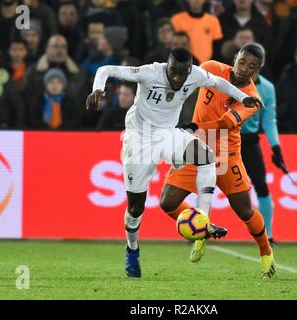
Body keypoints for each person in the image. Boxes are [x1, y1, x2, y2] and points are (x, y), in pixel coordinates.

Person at [86, 47, 264, 278]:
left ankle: (203, 220)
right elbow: (106, 69)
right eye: (174, 72)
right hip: (140, 140)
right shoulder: (150, 72)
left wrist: (243, 97)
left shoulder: (196, 74)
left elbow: (220, 84)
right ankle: (132, 249)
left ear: (189, 70)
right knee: (135, 207)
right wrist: (97, 89)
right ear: (167, 67)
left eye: (183, 73)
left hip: (168, 134)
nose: (178, 78)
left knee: (207, 156)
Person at [160, 44, 275, 279]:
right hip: (196, 149)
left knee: (244, 210)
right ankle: (203, 228)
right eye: (242, 62)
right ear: (235, 58)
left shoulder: (252, 99)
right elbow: (183, 84)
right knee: (167, 202)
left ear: (259, 69)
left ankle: (266, 252)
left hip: (225, 154)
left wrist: (193, 127)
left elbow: (224, 124)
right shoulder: (211, 68)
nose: (244, 69)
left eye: (252, 66)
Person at [240, 68, 284, 245]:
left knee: (262, 187)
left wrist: (276, 147)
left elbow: (269, 119)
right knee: (208, 183)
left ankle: (268, 235)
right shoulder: (226, 81)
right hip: (224, 139)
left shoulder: (267, 88)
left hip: (250, 142)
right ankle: (201, 232)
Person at [171, 0, 223, 64]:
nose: (196, 1)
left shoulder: (213, 21)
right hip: (183, 63)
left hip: (207, 66)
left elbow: (217, 48)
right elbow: (171, 45)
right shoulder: (176, 20)